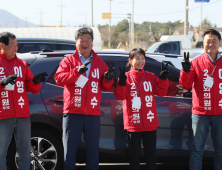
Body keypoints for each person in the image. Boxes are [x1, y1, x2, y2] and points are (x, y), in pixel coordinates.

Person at [54, 27, 114, 170]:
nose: (85, 42)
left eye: (88, 39)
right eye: (82, 39)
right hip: (73, 113)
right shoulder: (68, 60)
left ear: (92, 43)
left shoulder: (99, 62)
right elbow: (59, 79)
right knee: (69, 152)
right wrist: (76, 71)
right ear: (76, 42)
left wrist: (108, 79)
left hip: (92, 114)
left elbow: (106, 87)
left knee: (93, 152)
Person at [114, 48, 169, 170]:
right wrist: (122, 83)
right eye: (137, 58)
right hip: (134, 123)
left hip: (150, 123)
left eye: (143, 58)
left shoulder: (150, 76)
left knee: (151, 155)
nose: (141, 61)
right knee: (134, 156)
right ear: (130, 60)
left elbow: (161, 92)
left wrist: (163, 79)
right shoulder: (126, 77)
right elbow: (120, 96)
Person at [0, 32, 48, 170]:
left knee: (25, 153)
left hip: (22, 115)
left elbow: (33, 89)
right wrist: (2, 84)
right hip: (3, 115)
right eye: (12, 45)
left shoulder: (21, 63)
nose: (15, 48)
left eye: (17, 45)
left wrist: (34, 81)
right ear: (1, 45)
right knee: (1, 153)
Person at [179, 29, 222, 170]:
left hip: (220, 114)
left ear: (219, 43)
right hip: (201, 114)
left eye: (214, 41)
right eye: (207, 42)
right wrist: (185, 71)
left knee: (220, 151)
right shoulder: (195, 62)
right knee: (197, 150)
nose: (211, 44)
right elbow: (185, 85)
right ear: (202, 44)